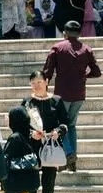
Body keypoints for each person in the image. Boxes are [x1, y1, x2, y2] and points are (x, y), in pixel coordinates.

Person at [43, 20, 101, 170]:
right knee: (72, 125)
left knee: (60, 125)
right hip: (79, 94)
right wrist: (82, 76)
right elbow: (97, 72)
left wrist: (44, 88)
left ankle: (68, 154)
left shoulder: (57, 48)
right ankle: (71, 158)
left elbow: (47, 72)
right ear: (79, 34)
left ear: (65, 33)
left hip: (61, 94)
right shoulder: (86, 49)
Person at [23, 71, 69, 193]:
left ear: (47, 81)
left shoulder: (56, 101)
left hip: (51, 146)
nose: (37, 85)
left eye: (40, 82)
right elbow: (20, 125)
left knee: (49, 181)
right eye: (33, 82)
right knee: (31, 181)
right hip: (32, 146)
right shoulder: (27, 102)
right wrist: (31, 133)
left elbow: (65, 123)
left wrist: (58, 132)